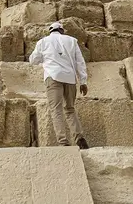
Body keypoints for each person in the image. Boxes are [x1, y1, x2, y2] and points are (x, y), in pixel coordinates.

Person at [29, 21, 90, 149]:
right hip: (70, 78)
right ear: (62, 30)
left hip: (53, 77)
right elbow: (80, 62)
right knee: (69, 109)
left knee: (56, 109)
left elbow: (33, 60)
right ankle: (79, 138)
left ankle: (63, 141)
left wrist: (44, 57)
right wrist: (83, 81)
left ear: (50, 31)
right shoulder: (72, 41)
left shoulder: (43, 42)